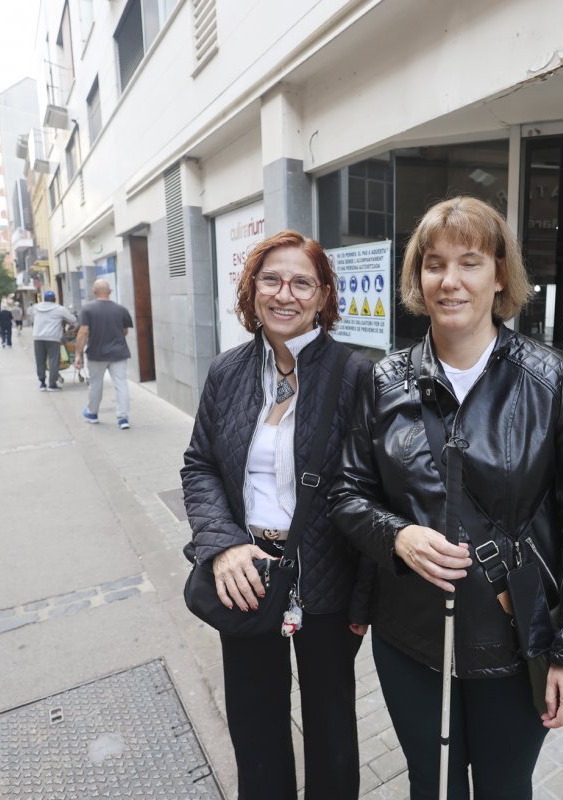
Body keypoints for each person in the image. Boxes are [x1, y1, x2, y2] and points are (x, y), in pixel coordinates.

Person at [330, 197, 563, 799]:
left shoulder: (550, 378)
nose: (451, 281)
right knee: (431, 786)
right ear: (417, 278)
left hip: (515, 642)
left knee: (504, 786)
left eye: (469, 262)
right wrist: (398, 535)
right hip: (409, 638)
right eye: (434, 264)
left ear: (499, 275)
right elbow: (347, 491)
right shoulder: (384, 381)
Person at [181, 230, 374, 800]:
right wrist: (222, 544)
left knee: (332, 724)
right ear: (252, 289)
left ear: (322, 296)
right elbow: (199, 465)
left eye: (301, 282)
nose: (284, 294)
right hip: (246, 576)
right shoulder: (227, 372)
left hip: (328, 578)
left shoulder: (355, 375)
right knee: (254, 718)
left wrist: (365, 597)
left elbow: (376, 492)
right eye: (271, 279)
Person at [75, 279, 134, 430]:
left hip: (96, 353)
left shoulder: (87, 309)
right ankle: (123, 418)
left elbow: (83, 332)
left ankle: (93, 413)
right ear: (110, 292)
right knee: (121, 384)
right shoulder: (121, 309)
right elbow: (125, 331)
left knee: (96, 385)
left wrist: (78, 355)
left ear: (94, 292)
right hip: (119, 353)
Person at [31, 290, 76, 392]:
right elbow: (72, 320)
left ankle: (42, 383)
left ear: (44, 299)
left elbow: (32, 320)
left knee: (40, 360)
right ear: (55, 299)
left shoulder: (36, 308)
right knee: (53, 360)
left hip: (38, 337)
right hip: (53, 338)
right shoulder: (59, 309)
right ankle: (52, 384)